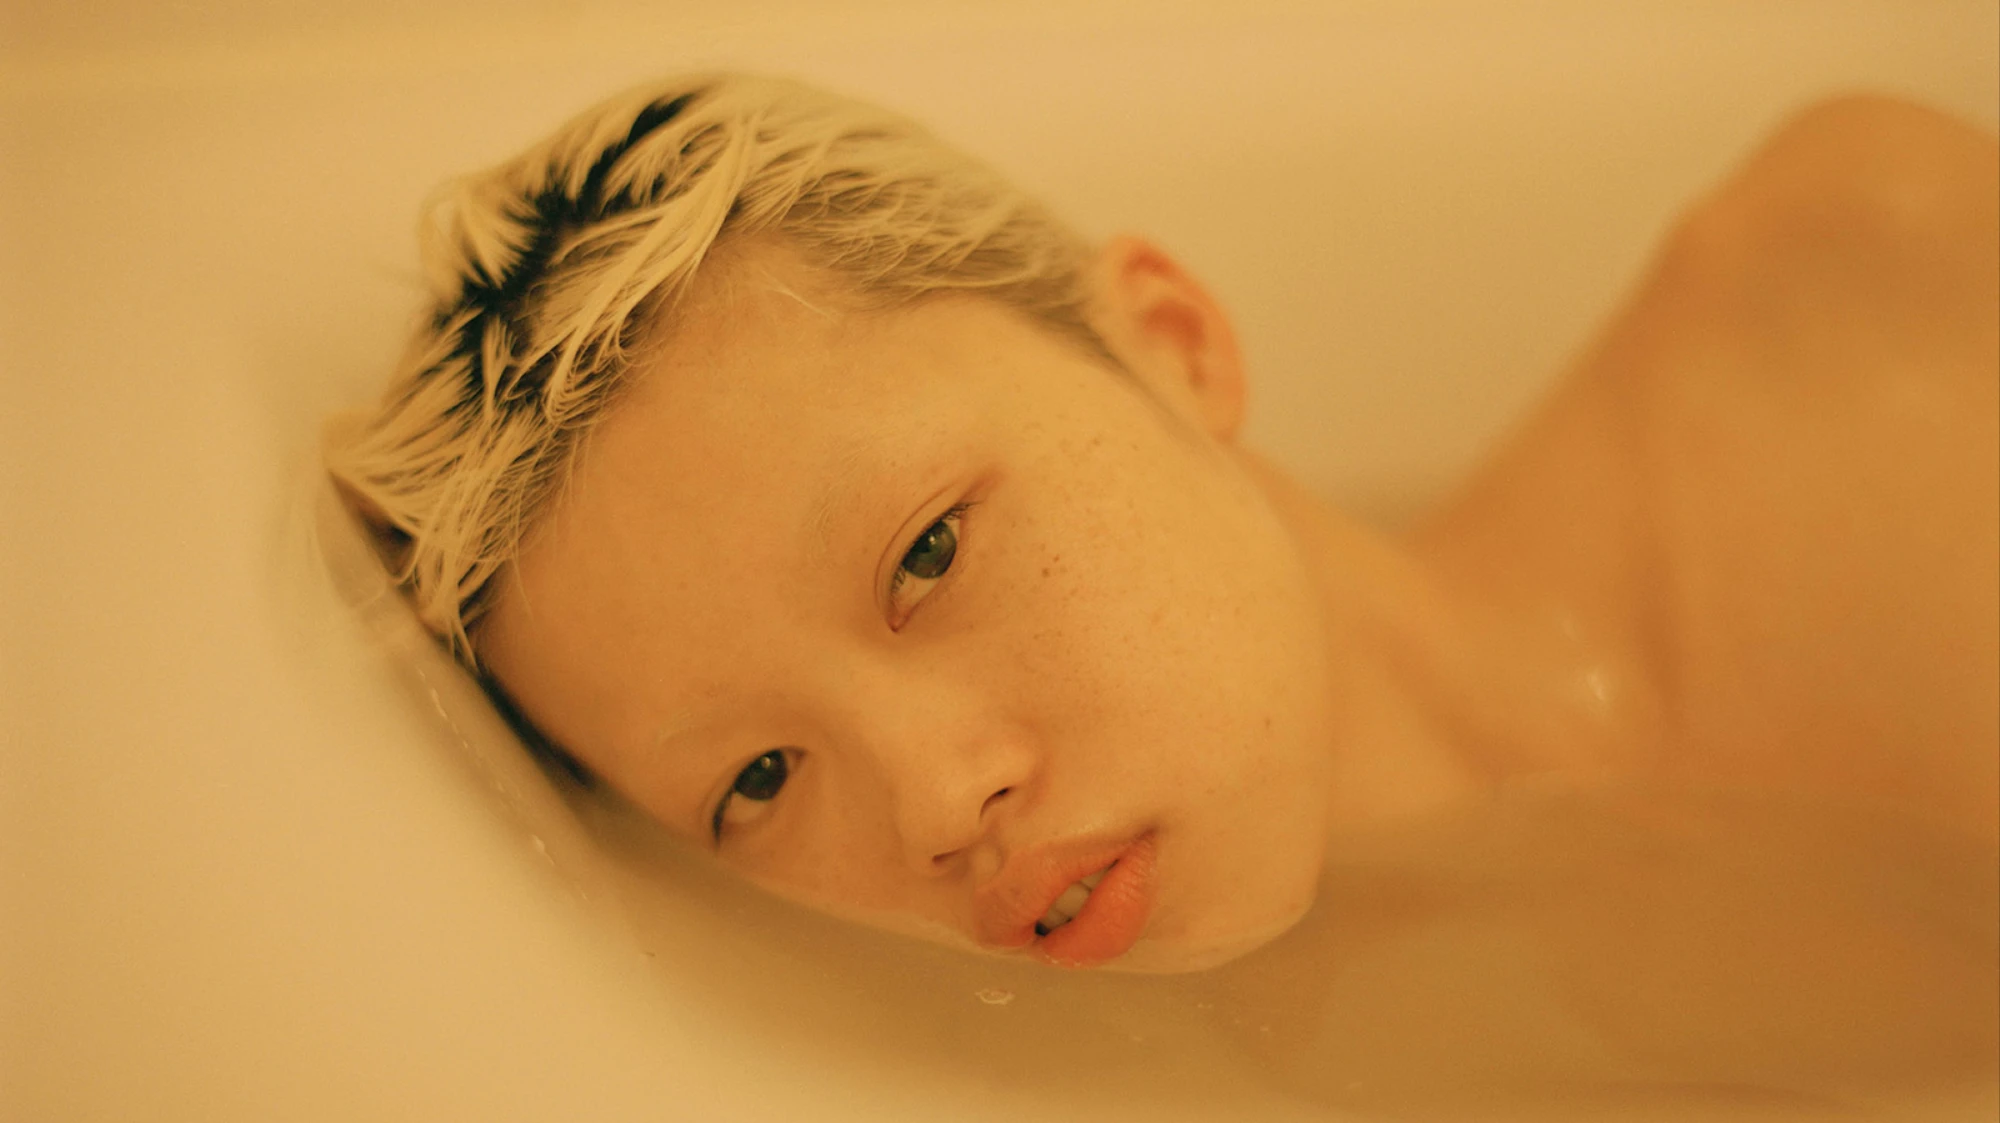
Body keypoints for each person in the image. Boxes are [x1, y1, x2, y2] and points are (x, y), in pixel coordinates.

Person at [326, 73, 1997, 975]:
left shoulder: (1870, 316)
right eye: (758, 779)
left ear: (1174, 344)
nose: (933, 807)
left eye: (927, 552)